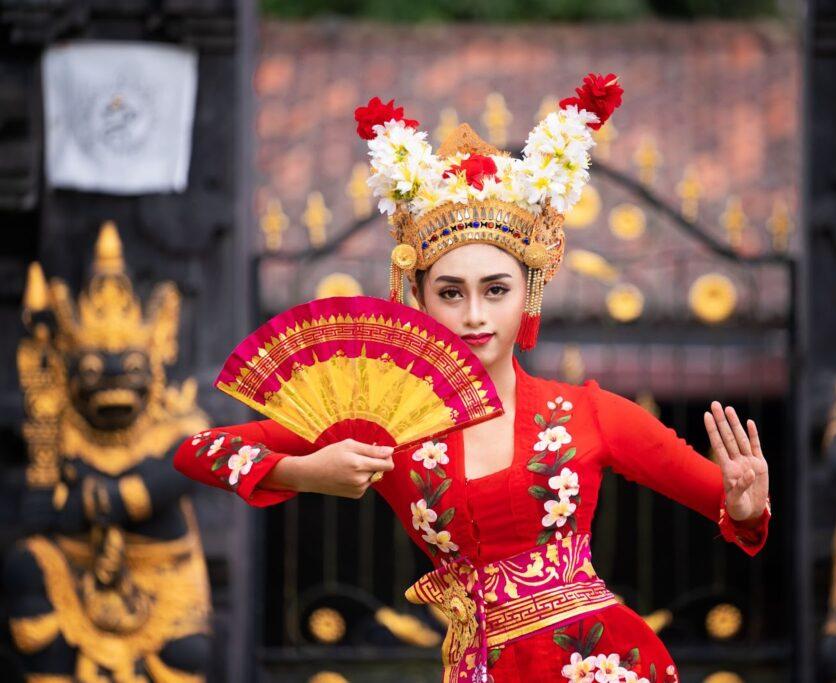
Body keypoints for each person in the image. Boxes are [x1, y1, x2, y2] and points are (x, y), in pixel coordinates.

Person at [174, 74, 771, 683]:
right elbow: (197, 451)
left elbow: (730, 506)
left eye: (496, 290)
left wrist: (745, 503)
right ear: (419, 298)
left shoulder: (589, 414)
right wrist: (305, 473)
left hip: (602, 663)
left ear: (527, 294)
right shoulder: (384, 423)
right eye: (452, 293)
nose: (475, 315)